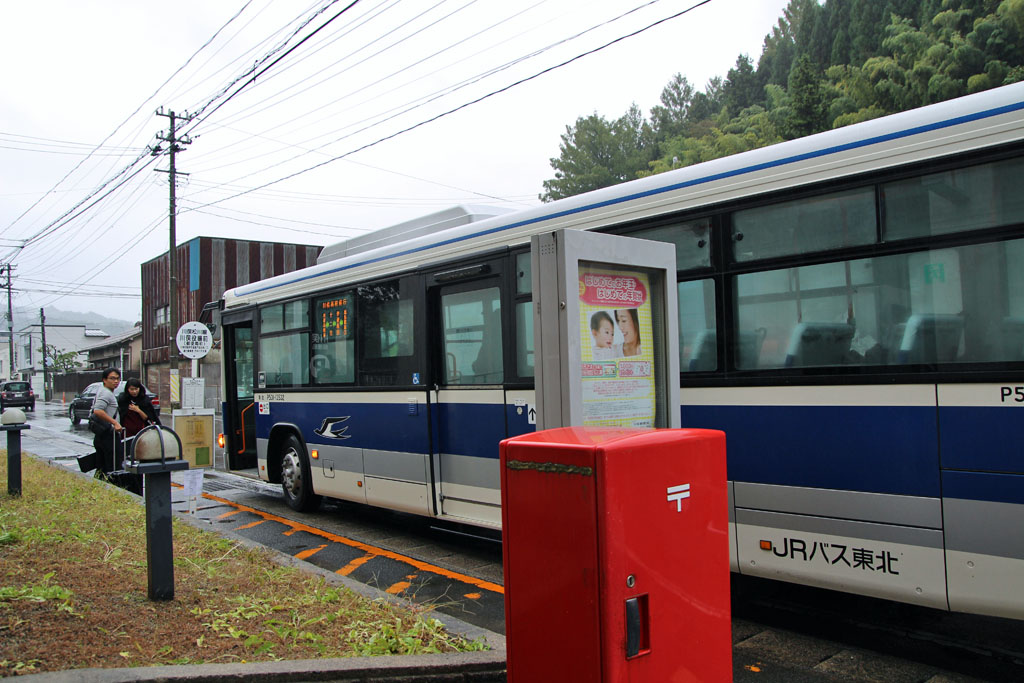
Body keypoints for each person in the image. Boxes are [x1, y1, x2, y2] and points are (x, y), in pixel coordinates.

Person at [91, 368, 123, 473]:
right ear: (104, 380)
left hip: (102, 434)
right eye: (112, 378)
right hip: (109, 436)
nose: (116, 381)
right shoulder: (106, 393)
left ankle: (100, 486)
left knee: (102, 467)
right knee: (113, 467)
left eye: (118, 379)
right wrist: (115, 423)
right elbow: (98, 410)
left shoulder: (103, 391)